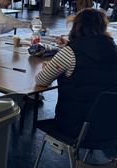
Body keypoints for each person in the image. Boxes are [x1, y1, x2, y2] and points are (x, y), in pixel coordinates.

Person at [36, 8, 117, 139]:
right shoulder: (113, 49)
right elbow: (92, 54)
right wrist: (70, 45)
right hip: (109, 127)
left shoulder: (69, 53)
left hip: (74, 127)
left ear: (77, 27)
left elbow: (41, 80)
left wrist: (47, 67)